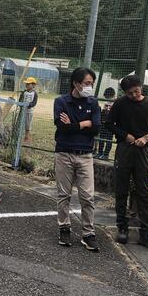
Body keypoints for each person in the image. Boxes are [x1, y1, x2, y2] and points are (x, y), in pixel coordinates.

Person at [106, 75, 148, 250]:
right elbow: (109, 123)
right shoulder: (120, 103)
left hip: (142, 150)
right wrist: (125, 135)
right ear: (125, 92)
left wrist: (146, 138)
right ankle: (122, 227)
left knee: (143, 191)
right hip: (124, 148)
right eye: (130, 93)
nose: (134, 95)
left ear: (141, 87)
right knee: (121, 189)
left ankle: (146, 233)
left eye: (136, 91)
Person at [54, 67, 101, 252]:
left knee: (87, 196)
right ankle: (64, 228)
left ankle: (88, 233)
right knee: (64, 194)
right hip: (64, 153)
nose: (89, 87)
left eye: (91, 83)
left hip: (85, 154)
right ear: (76, 83)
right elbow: (62, 127)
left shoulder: (93, 103)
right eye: (87, 83)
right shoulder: (61, 102)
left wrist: (75, 124)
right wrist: (85, 123)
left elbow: (96, 128)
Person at [95, 87, 116, 159]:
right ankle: (100, 153)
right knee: (101, 139)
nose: (107, 98)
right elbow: (103, 112)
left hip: (111, 125)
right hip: (103, 123)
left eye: (108, 96)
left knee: (109, 140)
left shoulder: (115, 103)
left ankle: (106, 155)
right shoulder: (106, 102)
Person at [19, 77, 39, 142]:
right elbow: (20, 100)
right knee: (21, 123)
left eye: (28, 84)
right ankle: (19, 136)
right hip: (22, 111)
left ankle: (26, 136)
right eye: (26, 84)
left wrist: (29, 105)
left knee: (28, 124)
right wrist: (21, 105)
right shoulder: (24, 92)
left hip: (29, 112)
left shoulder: (35, 93)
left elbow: (34, 103)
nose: (26, 85)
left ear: (33, 85)